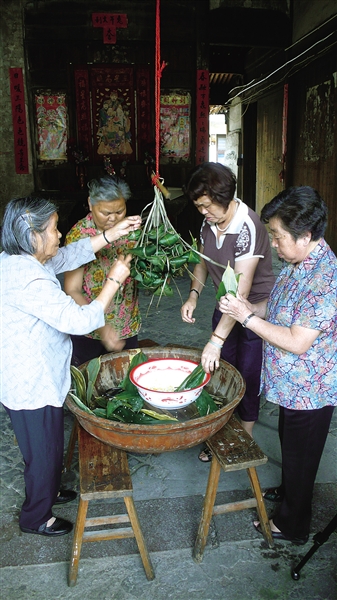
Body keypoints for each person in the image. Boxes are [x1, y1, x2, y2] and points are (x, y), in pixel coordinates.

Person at [0, 196, 140, 537]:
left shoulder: (19, 258)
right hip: (30, 380)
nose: (60, 234)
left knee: (46, 446)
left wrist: (110, 234)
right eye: (54, 229)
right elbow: (79, 320)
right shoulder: (29, 279)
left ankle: (47, 490)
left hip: (35, 370)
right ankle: (37, 517)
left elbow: (68, 255)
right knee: (43, 450)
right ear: (33, 236)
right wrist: (114, 280)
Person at [220, 186, 337, 544]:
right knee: (292, 447)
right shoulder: (296, 261)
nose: (273, 243)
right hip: (291, 387)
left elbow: (297, 341)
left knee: (302, 458)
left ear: (305, 236)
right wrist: (252, 310)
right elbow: (280, 304)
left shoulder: (324, 280)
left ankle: (292, 525)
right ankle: (289, 493)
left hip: (310, 389)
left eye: (278, 236)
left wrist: (246, 319)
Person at [181, 163, 275, 454]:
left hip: (250, 308)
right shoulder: (209, 221)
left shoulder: (248, 225)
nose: (202, 212)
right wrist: (194, 294)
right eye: (198, 206)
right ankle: (221, 427)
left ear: (224, 197)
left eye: (206, 205)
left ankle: (242, 437)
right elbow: (202, 259)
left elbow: (241, 291)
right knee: (221, 368)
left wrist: (215, 340)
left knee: (246, 371)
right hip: (226, 303)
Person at [64, 176, 141, 366]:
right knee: (90, 384)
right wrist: (102, 327)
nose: (113, 218)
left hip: (126, 325)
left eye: (119, 211)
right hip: (89, 331)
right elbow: (72, 290)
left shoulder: (131, 231)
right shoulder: (79, 236)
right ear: (91, 204)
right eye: (106, 212)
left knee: (127, 380)